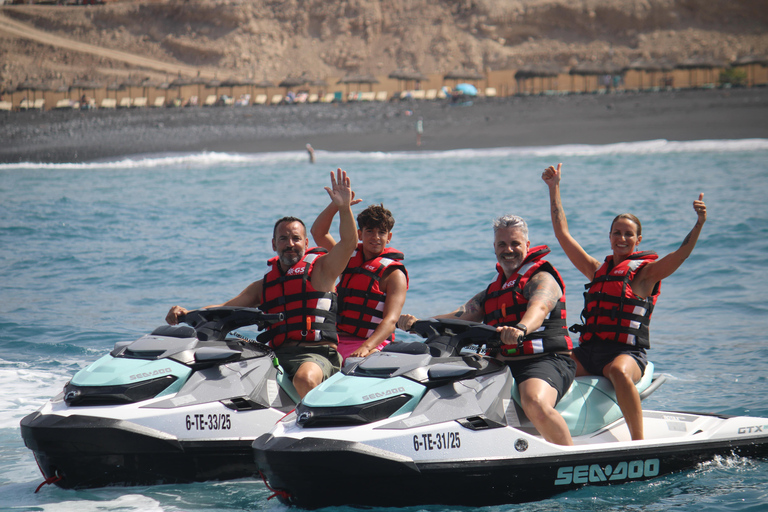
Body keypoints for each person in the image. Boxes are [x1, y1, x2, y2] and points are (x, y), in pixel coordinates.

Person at [542, 162, 707, 440]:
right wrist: (554, 188)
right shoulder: (597, 270)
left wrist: (699, 223)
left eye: (628, 234)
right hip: (589, 352)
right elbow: (562, 234)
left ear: (638, 240)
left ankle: (637, 441)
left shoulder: (645, 275)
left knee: (618, 371)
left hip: (626, 354)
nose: (622, 238)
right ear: (609, 238)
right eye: (617, 233)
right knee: (549, 362)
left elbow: (681, 254)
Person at [166, 168, 357, 398]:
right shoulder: (264, 286)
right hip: (274, 354)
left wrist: (343, 208)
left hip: (316, 355)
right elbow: (225, 309)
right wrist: (187, 314)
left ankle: (314, 416)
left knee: (304, 379)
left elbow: (348, 243)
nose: (290, 244)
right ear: (274, 244)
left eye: (296, 238)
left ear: (306, 244)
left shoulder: (323, 271)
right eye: (283, 239)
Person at [398, 215, 575, 446]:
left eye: (515, 244)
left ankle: (569, 455)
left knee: (534, 402)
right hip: (503, 363)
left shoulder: (542, 278)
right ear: (494, 247)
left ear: (527, 245)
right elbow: (461, 314)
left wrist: (520, 328)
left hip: (545, 360)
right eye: (502, 244)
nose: (508, 250)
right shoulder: (495, 288)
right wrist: (418, 323)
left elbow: (539, 308)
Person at [311, 202, 408, 362]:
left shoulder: (394, 274)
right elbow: (319, 233)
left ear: (389, 237)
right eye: (370, 231)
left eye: (382, 232)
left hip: (372, 343)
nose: (376, 237)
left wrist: (366, 347)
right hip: (335, 339)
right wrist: (337, 205)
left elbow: (391, 320)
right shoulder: (347, 259)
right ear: (360, 234)